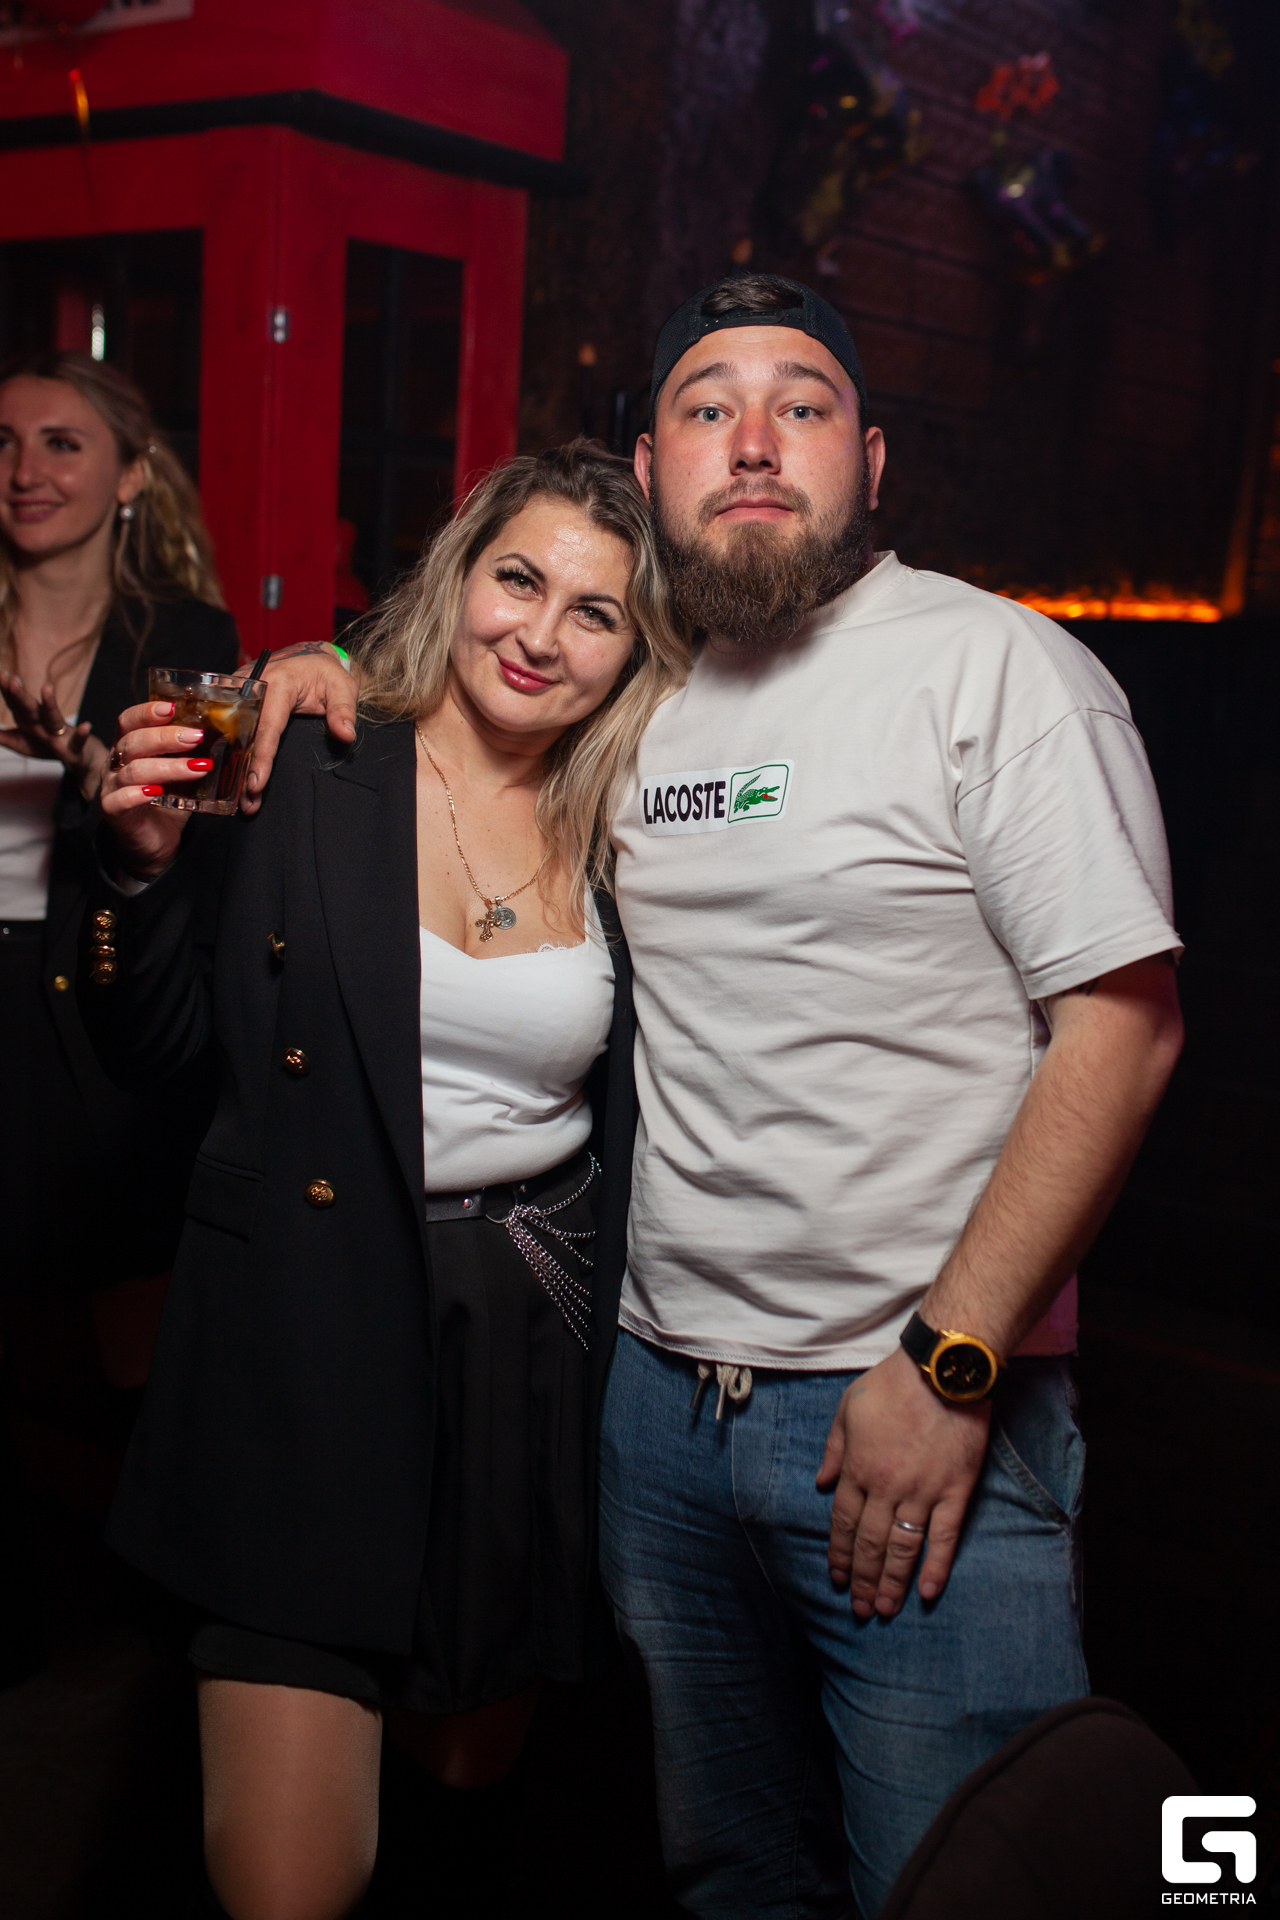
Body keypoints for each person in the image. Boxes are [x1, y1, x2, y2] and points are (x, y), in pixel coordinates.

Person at [245, 275, 1185, 1919]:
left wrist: (950, 1365)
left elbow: (1124, 1027)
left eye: (801, 405)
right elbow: (457, 734)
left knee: (965, 1884)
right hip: (653, 1410)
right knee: (730, 1879)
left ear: (868, 461)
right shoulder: (637, 691)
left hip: (911, 1410)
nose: (754, 441)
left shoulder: (994, 667)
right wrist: (309, 665)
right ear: (651, 464)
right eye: (707, 408)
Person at [81, 442, 686, 1920]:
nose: (540, 635)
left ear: (635, 653)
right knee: (294, 1877)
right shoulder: (306, 758)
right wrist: (137, 873)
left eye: (595, 613)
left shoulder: (632, 826)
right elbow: (156, 1050)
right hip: (299, 1324)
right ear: (459, 574)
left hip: (520, 1339)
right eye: (518, 579)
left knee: (460, 1814)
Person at [0, 351, 237, 1682]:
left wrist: (92, 766)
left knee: (129, 1336)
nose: (25, 470)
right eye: (4, 441)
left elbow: (197, 851)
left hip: (94, 1009)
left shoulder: (179, 640)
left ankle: (154, 1624)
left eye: (63, 443)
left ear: (131, 476)